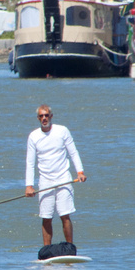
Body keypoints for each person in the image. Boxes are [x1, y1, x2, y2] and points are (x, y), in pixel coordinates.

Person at [25, 104, 85, 249]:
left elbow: (73, 152)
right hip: (45, 181)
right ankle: (47, 250)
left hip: (63, 178)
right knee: (46, 217)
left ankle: (70, 248)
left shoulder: (62, 131)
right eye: (41, 116)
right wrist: (29, 185)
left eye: (46, 115)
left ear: (51, 116)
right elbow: (30, 162)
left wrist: (80, 172)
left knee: (65, 215)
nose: (44, 118)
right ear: (38, 118)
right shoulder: (34, 136)